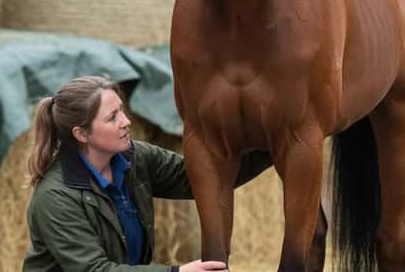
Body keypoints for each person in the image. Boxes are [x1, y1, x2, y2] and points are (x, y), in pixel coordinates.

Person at [23, 76, 271, 272]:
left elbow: (205, 178)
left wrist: (275, 146)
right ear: (82, 134)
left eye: (121, 110)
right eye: (112, 118)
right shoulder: (56, 197)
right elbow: (95, 269)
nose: (126, 121)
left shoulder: (135, 158)